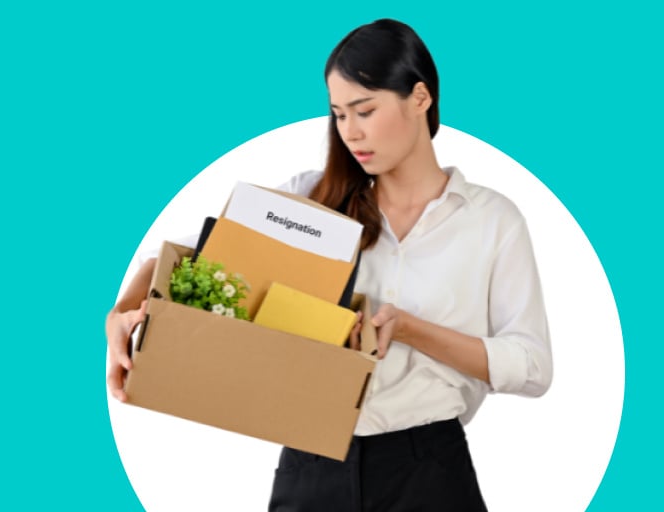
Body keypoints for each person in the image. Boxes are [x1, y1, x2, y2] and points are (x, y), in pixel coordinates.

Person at [106, 18, 552, 512]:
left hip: (428, 469)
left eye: (365, 110)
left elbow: (533, 367)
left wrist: (408, 330)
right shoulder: (311, 198)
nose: (351, 132)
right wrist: (119, 319)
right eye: (339, 114)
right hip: (311, 464)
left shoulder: (491, 220)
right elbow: (174, 257)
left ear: (421, 98)